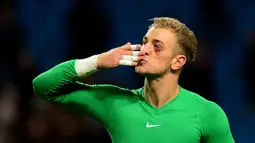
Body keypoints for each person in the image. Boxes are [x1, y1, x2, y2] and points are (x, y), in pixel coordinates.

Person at [32, 17, 235, 143]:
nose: (145, 49)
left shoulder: (208, 113)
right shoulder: (114, 102)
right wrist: (98, 61)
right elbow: (43, 86)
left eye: (157, 46)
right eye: (145, 42)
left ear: (177, 61)